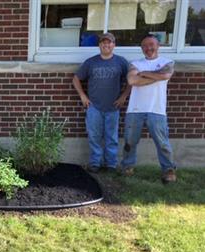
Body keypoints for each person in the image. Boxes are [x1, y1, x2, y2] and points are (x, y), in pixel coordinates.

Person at [121, 34, 176, 183]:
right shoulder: (135, 63)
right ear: (141, 48)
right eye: (145, 45)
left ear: (158, 46)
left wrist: (144, 74)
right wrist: (155, 76)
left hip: (157, 109)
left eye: (151, 45)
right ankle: (127, 167)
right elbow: (132, 80)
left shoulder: (167, 62)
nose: (148, 48)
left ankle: (168, 170)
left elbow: (166, 75)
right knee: (130, 141)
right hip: (135, 109)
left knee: (162, 143)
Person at [73, 32, 131, 173]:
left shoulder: (121, 62)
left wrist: (124, 96)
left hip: (113, 107)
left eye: (109, 42)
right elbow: (76, 78)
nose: (106, 44)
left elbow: (131, 80)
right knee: (94, 137)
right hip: (94, 107)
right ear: (99, 45)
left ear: (114, 45)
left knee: (112, 137)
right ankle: (95, 163)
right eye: (103, 42)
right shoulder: (91, 62)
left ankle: (111, 164)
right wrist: (83, 96)